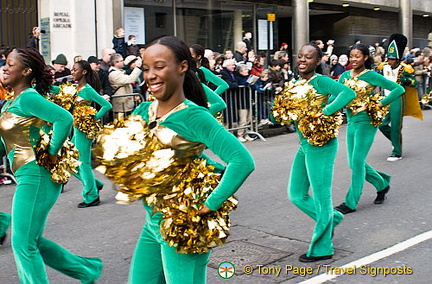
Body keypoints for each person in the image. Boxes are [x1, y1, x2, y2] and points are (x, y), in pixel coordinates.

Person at [126, 35, 254, 284]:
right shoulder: (142, 110)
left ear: (182, 67)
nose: (150, 75)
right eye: (146, 68)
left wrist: (211, 202)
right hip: (152, 222)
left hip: (182, 223)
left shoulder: (195, 116)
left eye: (159, 67)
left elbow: (242, 160)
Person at [0, 46, 102, 283]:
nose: (5, 67)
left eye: (11, 64)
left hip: (37, 175)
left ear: (26, 71)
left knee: (24, 244)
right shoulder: (10, 102)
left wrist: (53, 152)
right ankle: (86, 270)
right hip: (28, 175)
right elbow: (7, 142)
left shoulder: (28, 97)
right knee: (30, 240)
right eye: (5, 62)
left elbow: (64, 118)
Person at [275, 43, 355, 262]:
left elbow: (348, 92)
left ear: (318, 61)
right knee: (296, 194)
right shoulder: (297, 83)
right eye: (300, 56)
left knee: (322, 197)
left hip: (322, 145)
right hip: (305, 144)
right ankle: (333, 217)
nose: (302, 60)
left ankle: (323, 248)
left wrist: (325, 113)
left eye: (308, 58)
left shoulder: (321, 81)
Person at [334, 44, 404, 214]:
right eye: (351, 56)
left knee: (357, 162)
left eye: (357, 56)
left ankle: (350, 202)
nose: (353, 59)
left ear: (365, 57)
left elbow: (398, 89)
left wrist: (380, 103)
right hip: (351, 121)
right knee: (353, 163)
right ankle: (382, 184)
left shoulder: (371, 75)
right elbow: (334, 96)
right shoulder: (344, 76)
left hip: (367, 121)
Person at [70, 60, 112, 208]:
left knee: (82, 163)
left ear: (84, 72)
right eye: (72, 69)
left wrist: (92, 118)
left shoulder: (87, 89)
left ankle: (92, 196)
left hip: (83, 130)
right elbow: (60, 92)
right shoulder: (76, 88)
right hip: (77, 129)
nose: (72, 72)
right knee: (70, 163)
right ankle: (94, 184)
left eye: (75, 70)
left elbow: (107, 105)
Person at [378, 34, 422, 161]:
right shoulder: (383, 67)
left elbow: (415, 83)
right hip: (385, 98)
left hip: (397, 99)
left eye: (392, 59)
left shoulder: (405, 69)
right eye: (388, 58)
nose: (389, 61)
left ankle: (397, 151)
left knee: (396, 126)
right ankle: (396, 140)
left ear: (398, 59)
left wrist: (406, 81)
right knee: (382, 125)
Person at [189, 44, 228, 115]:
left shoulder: (203, 70)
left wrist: (211, 97)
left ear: (199, 57)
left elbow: (224, 84)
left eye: (191, 55)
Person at [108, 53, 142, 120]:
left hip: (125, 104)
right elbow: (130, 79)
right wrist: (138, 67)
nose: (123, 62)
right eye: (121, 61)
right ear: (115, 63)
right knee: (120, 124)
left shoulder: (119, 71)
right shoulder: (114, 74)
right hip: (121, 106)